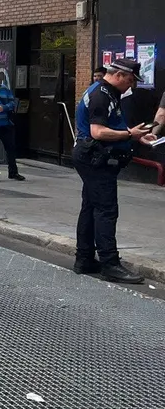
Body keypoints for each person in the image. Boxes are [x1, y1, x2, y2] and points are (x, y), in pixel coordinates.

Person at [72, 58, 153, 283]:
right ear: (118, 75)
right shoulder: (101, 96)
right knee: (107, 210)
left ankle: (85, 258)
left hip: (92, 157)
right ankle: (110, 264)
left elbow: (111, 125)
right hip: (95, 158)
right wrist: (130, 135)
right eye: (130, 80)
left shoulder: (106, 92)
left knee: (90, 207)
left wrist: (137, 134)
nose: (132, 85)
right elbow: (98, 132)